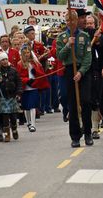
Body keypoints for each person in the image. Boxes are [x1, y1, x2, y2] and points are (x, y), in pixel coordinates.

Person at [56, 10, 93, 148]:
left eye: (72, 20)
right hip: (69, 71)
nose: (70, 23)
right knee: (72, 103)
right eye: (67, 21)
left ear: (77, 21)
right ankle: (75, 136)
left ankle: (88, 133)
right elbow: (60, 57)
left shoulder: (84, 36)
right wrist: (67, 45)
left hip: (83, 71)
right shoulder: (61, 37)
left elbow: (88, 57)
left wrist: (81, 72)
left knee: (85, 101)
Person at [16, 44, 49, 132]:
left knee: (33, 106)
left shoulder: (34, 63)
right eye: (25, 53)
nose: (27, 54)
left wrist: (36, 73)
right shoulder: (20, 64)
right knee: (26, 107)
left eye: (28, 52)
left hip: (34, 86)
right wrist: (26, 80)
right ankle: (28, 122)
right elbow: (19, 77)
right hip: (25, 87)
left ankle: (33, 124)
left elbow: (41, 73)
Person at [0, 52, 23, 142]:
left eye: (6, 59)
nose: (5, 61)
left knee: (13, 116)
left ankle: (14, 129)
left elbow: (19, 82)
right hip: (3, 97)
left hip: (12, 96)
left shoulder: (13, 70)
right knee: (5, 117)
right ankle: (7, 134)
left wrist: (18, 93)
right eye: (2, 60)